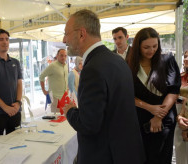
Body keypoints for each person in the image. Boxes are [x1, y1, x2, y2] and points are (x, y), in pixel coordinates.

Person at [62, 9, 145, 163]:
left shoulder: (92, 68)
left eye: (66, 33)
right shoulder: (118, 60)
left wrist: (70, 111)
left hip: (105, 155)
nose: (64, 40)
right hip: (125, 152)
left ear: (81, 34)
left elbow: (89, 125)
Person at [126, 27, 181, 164]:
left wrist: (158, 116)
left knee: (162, 157)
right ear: (138, 46)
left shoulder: (167, 60)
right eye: (146, 47)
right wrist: (150, 108)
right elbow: (125, 94)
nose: (151, 50)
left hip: (164, 117)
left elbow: (173, 91)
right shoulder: (129, 65)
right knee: (142, 157)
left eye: (155, 46)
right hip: (140, 118)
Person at [39, 49, 68, 114]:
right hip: (55, 97)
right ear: (57, 56)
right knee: (56, 120)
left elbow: (66, 79)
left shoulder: (66, 66)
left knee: (64, 118)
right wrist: (44, 90)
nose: (63, 57)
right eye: (61, 55)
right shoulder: (52, 66)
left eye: (65, 56)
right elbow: (41, 76)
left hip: (64, 97)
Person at [174, 50, 188, 164]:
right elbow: (172, 96)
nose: (186, 59)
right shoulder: (179, 77)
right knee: (180, 150)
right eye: (186, 56)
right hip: (180, 116)